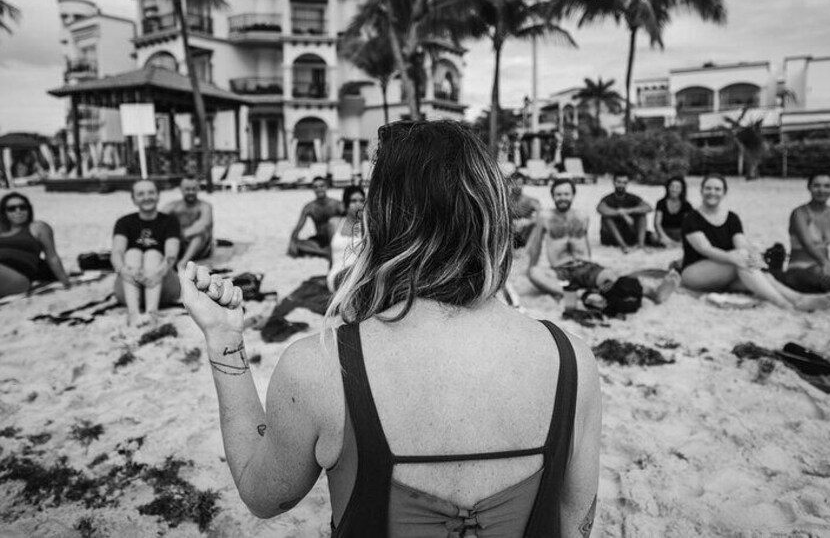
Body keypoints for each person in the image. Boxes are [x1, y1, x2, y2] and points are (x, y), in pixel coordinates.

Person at [181, 120, 601, 536]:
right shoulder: (572, 362)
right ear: (491, 213)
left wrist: (224, 340)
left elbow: (262, 494)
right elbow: (574, 526)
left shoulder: (322, 368)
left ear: (381, 219)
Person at [680, 174, 830, 312]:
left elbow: (741, 243)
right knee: (743, 259)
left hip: (728, 271)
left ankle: (798, 299)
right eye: (708, 188)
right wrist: (735, 258)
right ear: (701, 191)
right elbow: (705, 248)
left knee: (764, 278)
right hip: (695, 273)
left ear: (724, 193)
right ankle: (783, 304)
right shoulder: (691, 218)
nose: (712, 192)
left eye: (717, 189)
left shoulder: (731, 218)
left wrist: (754, 256)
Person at [528, 178, 679, 313]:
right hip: (560, 270)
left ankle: (653, 293)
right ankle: (580, 294)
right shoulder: (545, 217)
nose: (562, 198)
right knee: (534, 273)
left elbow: (584, 243)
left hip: (585, 266)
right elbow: (536, 246)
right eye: (558, 194)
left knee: (613, 278)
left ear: (573, 195)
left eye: (566, 194)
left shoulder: (582, 216)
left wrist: (592, 266)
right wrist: (531, 265)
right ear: (553, 196)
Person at [111, 179, 182, 326]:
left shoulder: (169, 221)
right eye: (141, 194)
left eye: (151, 192)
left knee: (152, 254)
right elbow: (117, 252)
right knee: (132, 253)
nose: (147, 197)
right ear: (133, 199)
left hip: (163, 285)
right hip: (130, 284)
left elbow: (171, 254)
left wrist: (157, 272)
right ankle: (133, 313)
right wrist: (124, 270)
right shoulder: (124, 222)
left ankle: (152, 313)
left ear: (158, 195)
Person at [780, 173, 830, 296]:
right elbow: (807, 244)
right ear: (809, 187)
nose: (821, 190)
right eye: (816, 186)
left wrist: (827, 266)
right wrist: (825, 263)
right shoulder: (799, 213)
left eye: (827, 186)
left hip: (826, 270)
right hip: (800, 271)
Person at [0, 192, 71, 298]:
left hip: (19, 277)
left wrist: (65, 281)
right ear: (4, 213)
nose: (18, 211)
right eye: (12, 208)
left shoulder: (37, 227)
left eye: (23, 207)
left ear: (29, 209)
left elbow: (52, 256)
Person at [161, 176, 214, 270]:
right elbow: (158, 221)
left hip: (200, 247)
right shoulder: (173, 206)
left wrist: (178, 235)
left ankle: (182, 263)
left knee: (200, 234)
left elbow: (203, 225)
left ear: (198, 189)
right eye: (187, 189)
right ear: (181, 190)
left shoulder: (204, 206)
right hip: (178, 245)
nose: (191, 192)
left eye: (194, 189)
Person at [287, 176, 345, 259]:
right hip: (319, 240)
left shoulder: (337, 204)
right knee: (297, 244)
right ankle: (325, 252)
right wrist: (292, 241)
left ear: (326, 187)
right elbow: (298, 228)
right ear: (313, 189)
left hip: (335, 237)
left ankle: (323, 251)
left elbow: (349, 221)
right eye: (316, 187)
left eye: (321, 186)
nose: (319, 189)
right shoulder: (309, 207)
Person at [597, 172, 653, 252]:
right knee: (607, 218)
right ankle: (623, 246)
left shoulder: (632, 198)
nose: (621, 185)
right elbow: (601, 209)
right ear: (614, 182)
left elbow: (648, 207)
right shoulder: (608, 199)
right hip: (611, 237)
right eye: (619, 182)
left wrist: (628, 211)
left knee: (642, 215)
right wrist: (621, 214)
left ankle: (641, 244)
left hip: (628, 233)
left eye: (624, 183)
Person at [326, 184, 365, 292]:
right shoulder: (334, 223)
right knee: (357, 270)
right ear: (345, 205)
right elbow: (330, 256)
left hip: (361, 276)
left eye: (362, 201)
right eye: (353, 201)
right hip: (339, 275)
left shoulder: (368, 226)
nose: (358, 205)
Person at [654, 176, 693, 247]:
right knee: (654, 237)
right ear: (668, 187)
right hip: (664, 231)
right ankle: (671, 243)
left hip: (679, 233)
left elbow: (689, 224)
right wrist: (664, 237)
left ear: (682, 190)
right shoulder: (661, 203)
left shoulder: (686, 205)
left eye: (677, 187)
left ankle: (675, 244)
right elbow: (657, 223)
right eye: (672, 186)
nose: (674, 189)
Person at [508, 171, 542, 249]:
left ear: (523, 184)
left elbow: (542, 216)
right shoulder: (504, 201)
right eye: (514, 183)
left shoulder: (532, 201)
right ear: (509, 184)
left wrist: (528, 221)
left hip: (525, 235)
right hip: (509, 234)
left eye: (519, 184)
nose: (517, 186)